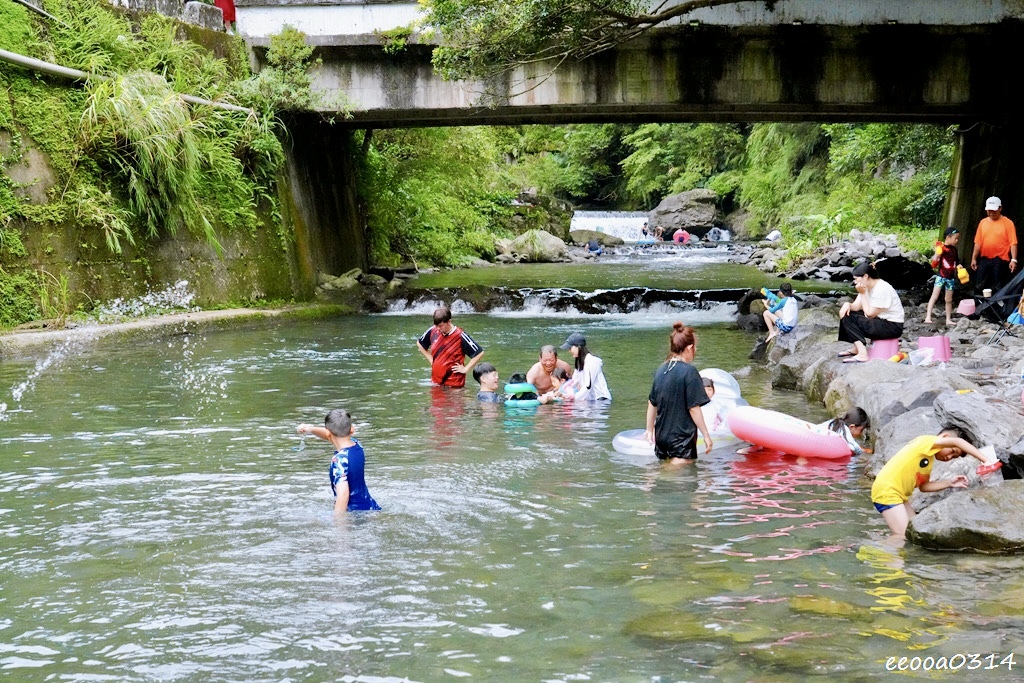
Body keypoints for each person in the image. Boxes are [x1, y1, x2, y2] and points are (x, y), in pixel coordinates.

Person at [870, 427, 987, 538]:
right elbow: (958, 442)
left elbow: (924, 487)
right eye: (952, 451)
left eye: (953, 457)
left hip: (897, 495)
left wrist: (949, 482)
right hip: (887, 491)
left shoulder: (927, 458)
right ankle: (880, 555)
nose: (949, 457)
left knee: (913, 530)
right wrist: (986, 460)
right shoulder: (925, 442)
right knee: (902, 536)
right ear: (945, 437)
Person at [645, 323, 712, 462]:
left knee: (666, 473)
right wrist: (706, 434)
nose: (696, 350)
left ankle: (649, 482)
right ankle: (648, 482)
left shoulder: (661, 370)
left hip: (661, 436)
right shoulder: (690, 372)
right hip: (681, 438)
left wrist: (649, 430)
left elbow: (652, 403)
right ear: (689, 348)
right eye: (695, 347)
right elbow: (694, 408)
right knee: (675, 475)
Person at [297, 409, 381, 513]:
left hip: (355, 515)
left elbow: (343, 495)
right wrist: (309, 429)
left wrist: (338, 525)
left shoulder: (339, 461)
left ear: (328, 433)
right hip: (371, 506)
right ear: (352, 430)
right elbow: (331, 435)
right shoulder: (357, 445)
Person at [837, 262, 905, 363]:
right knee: (848, 313)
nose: (855, 282)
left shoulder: (881, 288)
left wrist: (863, 294)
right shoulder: (866, 287)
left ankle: (862, 354)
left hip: (892, 326)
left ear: (865, 276)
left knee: (850, 318)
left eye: (856, 279)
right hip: (880, 321)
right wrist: (847, 305)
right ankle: (856, 347)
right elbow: (856, 307)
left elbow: (869, 314)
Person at [417, 306, 484, 387]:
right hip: (436, 383)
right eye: (436, 325)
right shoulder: (432, 330)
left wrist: (466, 369)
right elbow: (420, 344)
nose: (438, 328)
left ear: (449, 321)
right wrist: (432, 360)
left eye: (441, 325)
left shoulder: (460, 336)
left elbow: (479, 352)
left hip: (454, 384)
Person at [971, 196, 1018, 306]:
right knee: (979, 284)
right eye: (989, 210)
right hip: (985, 258)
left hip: (1000, 260)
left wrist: (1014, 259)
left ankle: (998, 309)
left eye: (994, 210)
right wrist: (973, 258)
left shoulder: (1008, 223)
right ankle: (979, 307)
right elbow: (977, 243)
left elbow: (1013, 243)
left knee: (998, 285)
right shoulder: (983, 223)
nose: (991, 212)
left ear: (1000, 208)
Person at [925, 227, 961, 326]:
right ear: (948, 237)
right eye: (956, 238)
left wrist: (959, 266)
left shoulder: (954, 250)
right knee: (934, 296)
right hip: (941, 276)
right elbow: (935, 261)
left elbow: (956, 261)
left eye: (958, 238)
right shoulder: (942, 248)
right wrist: (937, 254)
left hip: (950, 278)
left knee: (948, 299)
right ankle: (928, 316)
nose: (957, 241)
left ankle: (948, 319)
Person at [559, 332, 611, 401]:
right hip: (591, 400)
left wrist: (574, 399)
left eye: (570, 348)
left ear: (578, 347)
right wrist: (561, 391)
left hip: (601, 400)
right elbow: (574, 381)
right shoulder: (579, 362)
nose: (569, 351)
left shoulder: (591, 362)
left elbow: (587, 386)